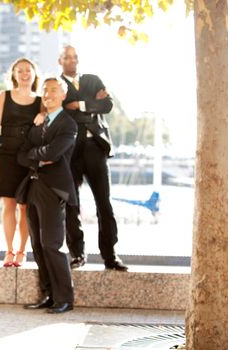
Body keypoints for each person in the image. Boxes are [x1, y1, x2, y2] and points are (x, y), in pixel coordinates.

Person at [59, 45, 128, 272]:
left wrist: (79, 105)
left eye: (75, 57)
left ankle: (110, 255)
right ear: (60, 60)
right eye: (67, 57)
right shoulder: (56, 85)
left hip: (96, 148)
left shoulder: (92, 79)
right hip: (70, 150)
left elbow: (107, 105)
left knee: (104, 203)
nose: (72, 60)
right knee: (71, 203)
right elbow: (60, 109)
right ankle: (77, 254)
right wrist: (91, 106)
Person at [18, 77, 78, 314]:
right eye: (45, 90)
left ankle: (65, 298)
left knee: (52, 244)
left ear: (63, 95)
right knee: (38, 245)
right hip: (33, 186)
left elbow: (54, 152)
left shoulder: (68, 124)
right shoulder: (39, 123)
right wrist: (38, 155)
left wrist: (37, 154)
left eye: (54, 90)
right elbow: (21, 155)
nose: (48, 94)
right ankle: (48, 294)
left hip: (54, 189)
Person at [0, 58, 43, 267]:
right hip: (6, 155)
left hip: (29, 156)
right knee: (8, 203)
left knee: (26, 206)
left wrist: (43, 115)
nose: (24, 74)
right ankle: (9, 250)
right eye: (20, 71)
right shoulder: (4, 96)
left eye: (28, 70)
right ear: (14, 75)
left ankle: (22, 251)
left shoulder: (40, 101)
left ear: (34, 74)